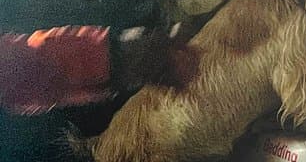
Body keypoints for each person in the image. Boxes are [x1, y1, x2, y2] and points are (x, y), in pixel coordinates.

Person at [0, 25, 198, 116]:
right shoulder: (18, 77)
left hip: (105, 55)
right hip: (105, 62)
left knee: (162, 51)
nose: (10, 35)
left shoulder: (17, 93)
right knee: (172, 56)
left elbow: (54, 96)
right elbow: (52, 91)